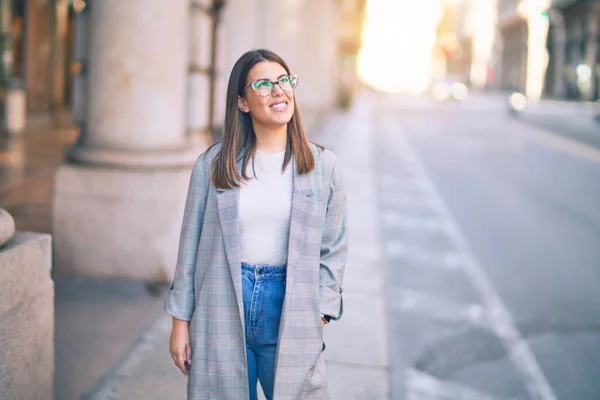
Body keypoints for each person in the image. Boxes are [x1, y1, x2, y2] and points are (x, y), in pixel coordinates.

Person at [165, 49, 348, 400]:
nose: (279, 91)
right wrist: (180, 322)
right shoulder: (213, 165)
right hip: (221, 302)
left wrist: (321, 313)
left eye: (284, 81)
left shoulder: (323, 166)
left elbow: (334, 246)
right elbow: (189, 248)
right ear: (243, 102)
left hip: (291, 307)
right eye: (264, 84)